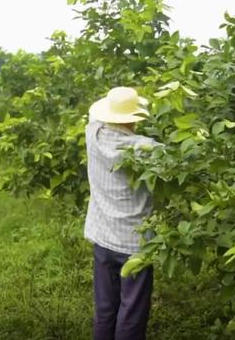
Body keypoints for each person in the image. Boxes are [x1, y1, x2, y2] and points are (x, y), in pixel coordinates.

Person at [84, 86, 160, 340]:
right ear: (135, 117)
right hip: (134, 244)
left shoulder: (92, 133)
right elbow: (180, 160)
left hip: (103, 238)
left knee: (105, 308)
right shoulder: (146, 149)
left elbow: (94, 116)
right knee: (132, 311)